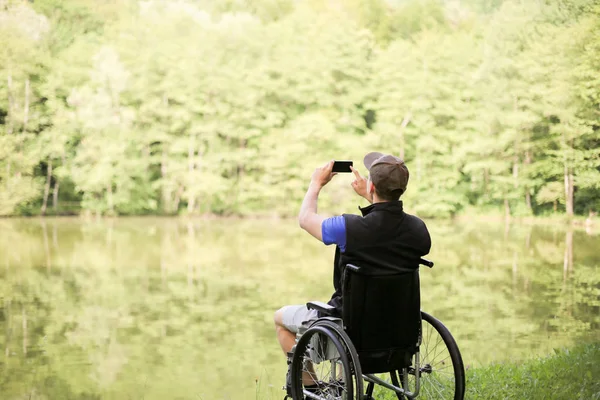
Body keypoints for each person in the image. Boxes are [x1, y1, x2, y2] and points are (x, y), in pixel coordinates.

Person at [273, 152, 432, 389]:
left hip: (351, 332)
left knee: (280, 318)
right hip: (398, 330)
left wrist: (316, 183)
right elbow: (386, 229)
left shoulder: (348, 228)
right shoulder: (418, 229)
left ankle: (313, 387)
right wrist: (373, 197)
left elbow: (306, 219)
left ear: (371, 185)